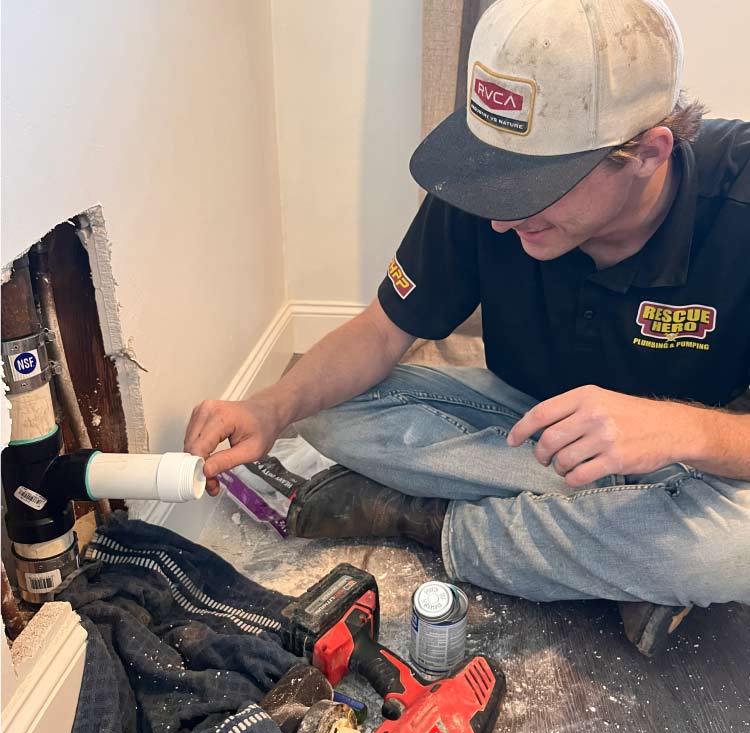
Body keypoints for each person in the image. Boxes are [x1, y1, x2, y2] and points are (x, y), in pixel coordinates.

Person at [185, 0, 750, 657]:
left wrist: (677, 430)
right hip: (525, 425)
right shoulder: (483, 194)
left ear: (647, 153)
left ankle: (437, 523)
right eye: (492, 177)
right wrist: (269, 407)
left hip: (702, 456)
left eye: (530, 188)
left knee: (735, 546)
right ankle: (624, 542)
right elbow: (377, 335)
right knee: (324, 411)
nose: (500, 221)